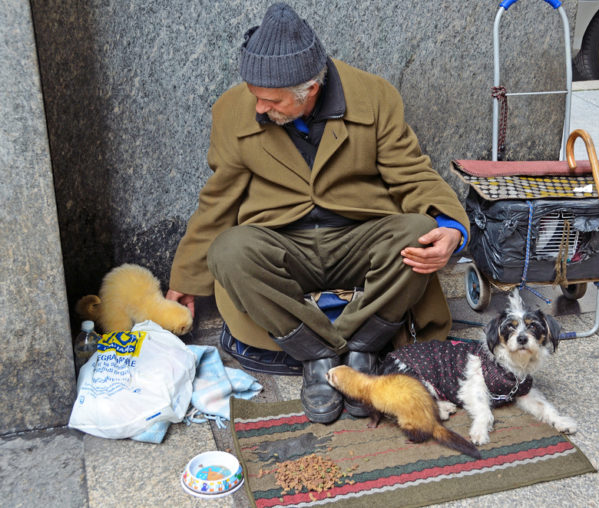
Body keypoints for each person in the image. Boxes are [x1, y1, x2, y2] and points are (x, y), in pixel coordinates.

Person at [166, 2, 469, 423]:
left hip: (359, 237)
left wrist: (452, 229)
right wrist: (185, 281)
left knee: (418, 229)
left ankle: (359, 348)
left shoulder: (374, 97)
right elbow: (217, 202)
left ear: (309, 89)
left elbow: (412, 173)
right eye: (255, 95)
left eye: (271, 100)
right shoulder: (234, 111)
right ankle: (322, 355)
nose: (258, 108)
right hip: (283, 245)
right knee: (229, 251)